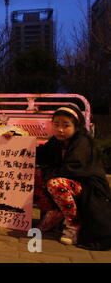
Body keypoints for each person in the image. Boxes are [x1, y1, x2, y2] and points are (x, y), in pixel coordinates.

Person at [32, 105, 111, 250]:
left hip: (88, 188)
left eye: (66, 125)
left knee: (55, 183)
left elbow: (73, 169)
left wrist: (48, 174)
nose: (60, 129)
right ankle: (53, 214)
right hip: (68, 184)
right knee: (34, 175)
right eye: (56, 125)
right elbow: (37, 154)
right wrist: (14, 140)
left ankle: (73, 225)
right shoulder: (56, 142)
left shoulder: (82, 142)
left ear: (76, 126)